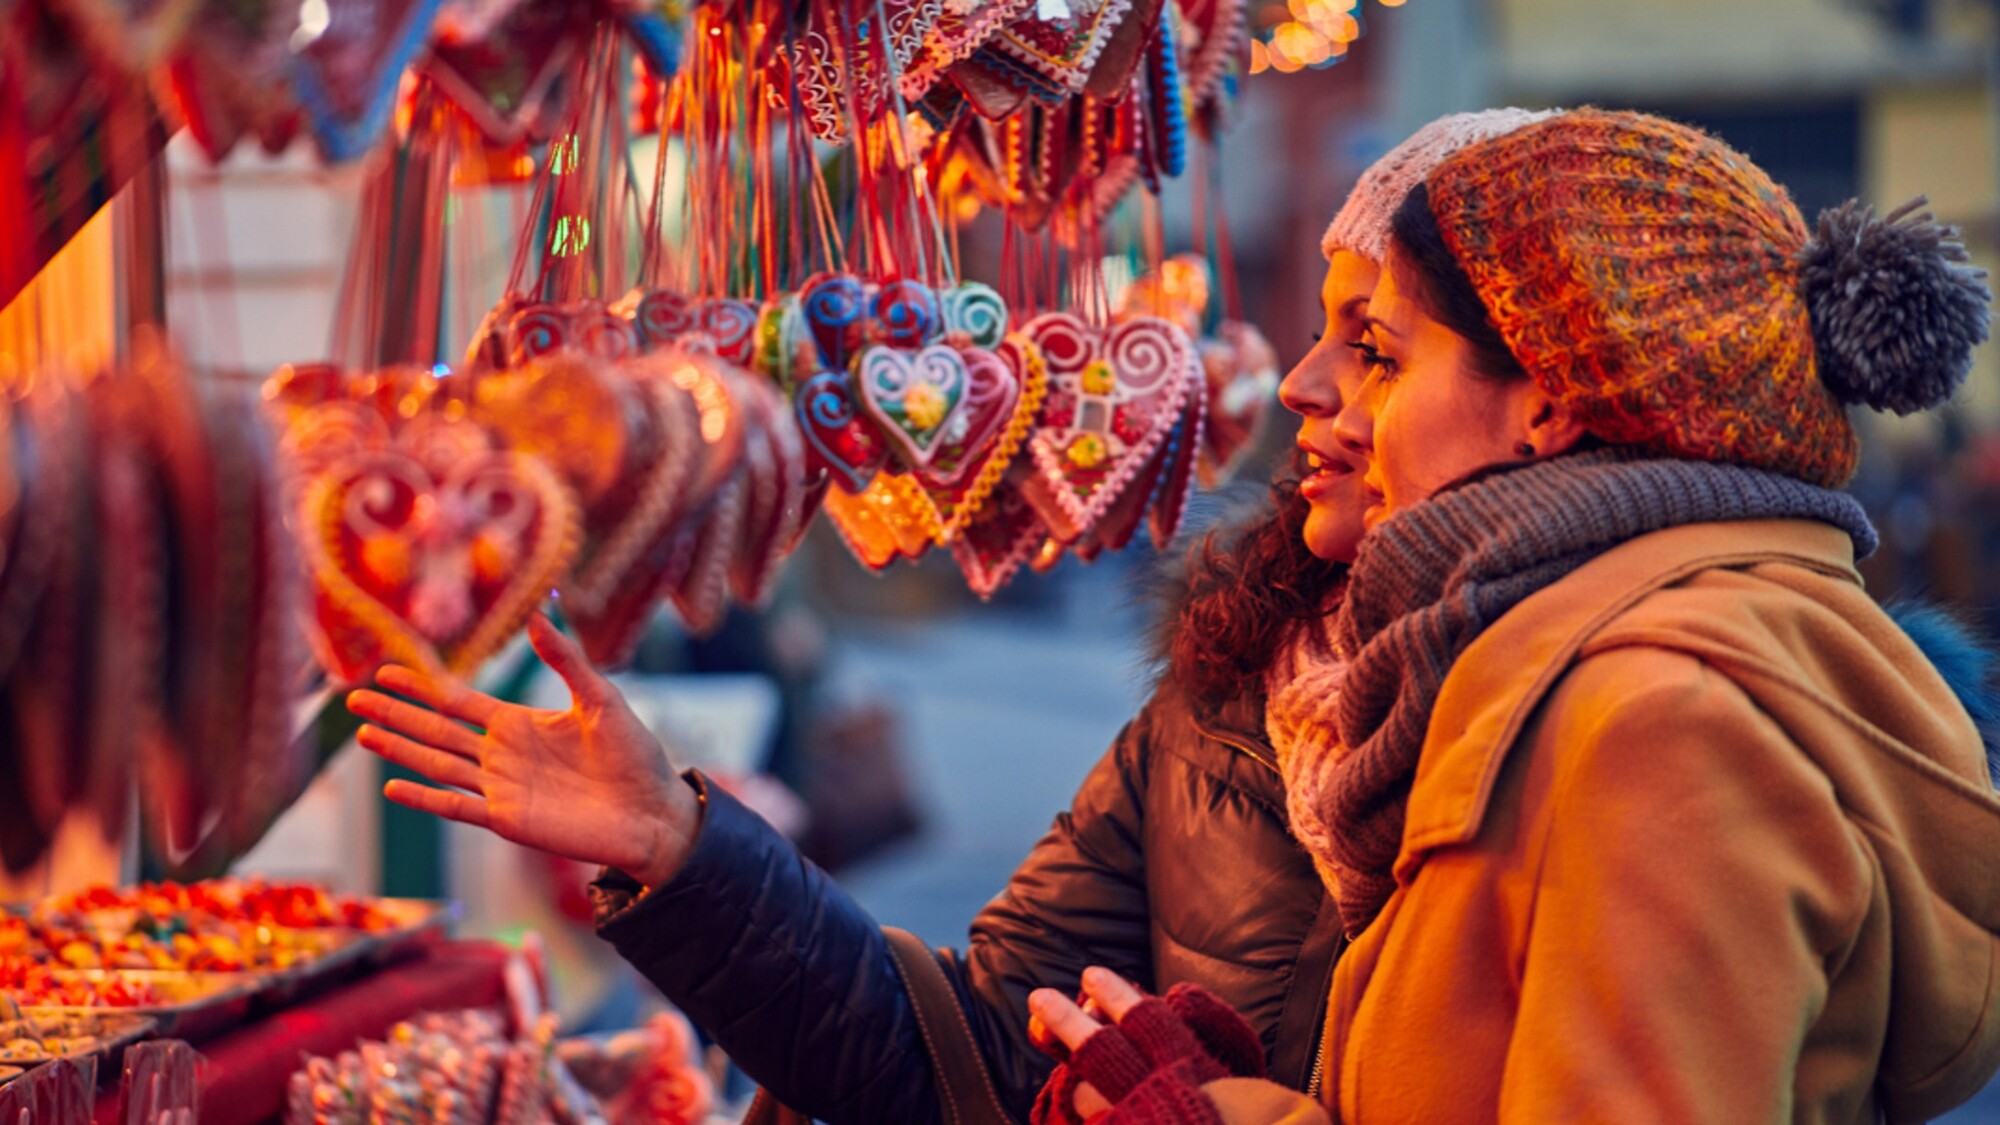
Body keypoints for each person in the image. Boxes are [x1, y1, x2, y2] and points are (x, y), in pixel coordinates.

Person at [344, 110, 1555, 1124]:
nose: (1303, 386)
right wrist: (677, 843)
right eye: (1317, 334)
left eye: (1376, 350)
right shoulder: (1234, 692)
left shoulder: (1632, 715)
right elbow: (964, 1054)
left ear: (1548, 404)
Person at [1028, 107, 2000, 1123]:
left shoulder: (1662, 727)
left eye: (1384, 358)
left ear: (1544, 403)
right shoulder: (1550, 672)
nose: (1330, 396)